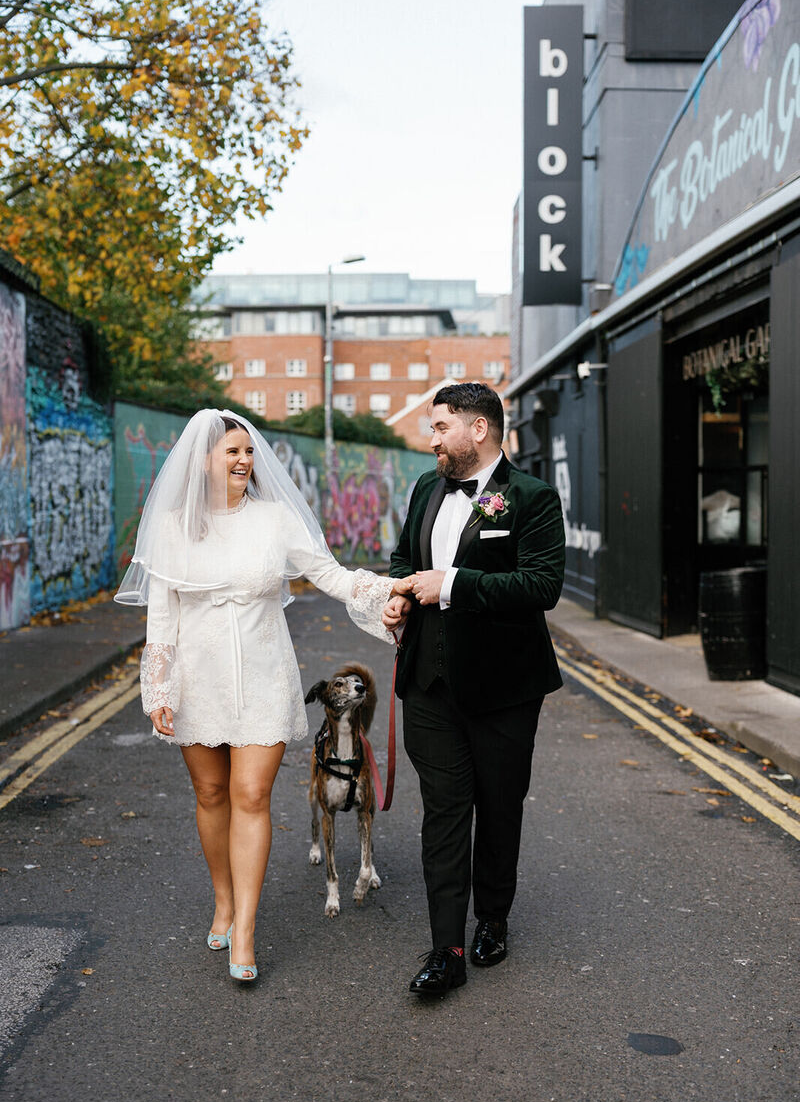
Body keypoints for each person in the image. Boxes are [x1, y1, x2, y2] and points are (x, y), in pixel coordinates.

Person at [115, 409, 400, 983]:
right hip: (197, 679)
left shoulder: (274, 519)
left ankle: (244, 926)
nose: (245, 460)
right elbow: (162, 617)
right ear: (205, 460)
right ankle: (223, 897)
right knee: (212, 791)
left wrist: (390, 592)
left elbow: (330, 572)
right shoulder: (172, 526)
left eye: (249, 451)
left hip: (266, 674)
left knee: (250, 794)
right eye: (232, 451)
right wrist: (158, 686)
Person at [382, 383, 565, 996]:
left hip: (506, 687)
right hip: (429, 685)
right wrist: (399, 596)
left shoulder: (533, 498)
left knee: (500, 806)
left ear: (477, 429)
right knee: (444, 812)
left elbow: (540, 586)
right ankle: (447, 948)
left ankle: (493, 917)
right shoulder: (423, 490)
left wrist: (452, 585)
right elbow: (403, 559)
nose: (430, 439)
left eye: (439, 427)